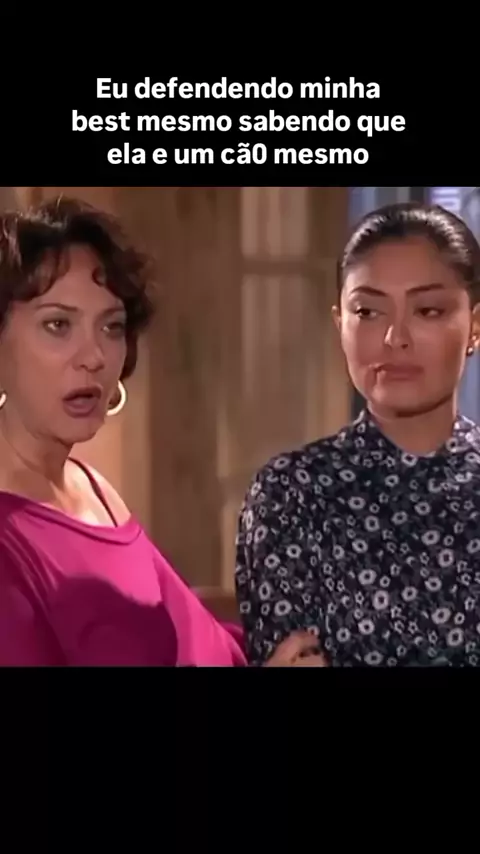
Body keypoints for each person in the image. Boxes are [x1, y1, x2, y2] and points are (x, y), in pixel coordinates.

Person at [0, 195, 325, 667]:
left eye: (111, 327)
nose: (94, 356)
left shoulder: (92, 488)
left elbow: (198, 637)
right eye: (58, 324)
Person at [235, 201, 480, 667]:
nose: (394, 338)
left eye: (428, 310)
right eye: (368, 312)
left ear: (475, 325)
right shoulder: (293, 493)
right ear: (340, 324)